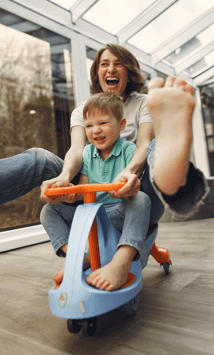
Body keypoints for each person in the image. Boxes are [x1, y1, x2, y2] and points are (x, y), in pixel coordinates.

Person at [0, 44, 209, 290]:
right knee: (39, 159)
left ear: (129, 71)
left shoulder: (147, 102)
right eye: (104, 63)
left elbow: (143, 145)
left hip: (137, 187)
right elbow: (77, 151)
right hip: (94, 193)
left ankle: (175, 180)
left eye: (118, 63)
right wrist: (65, 178)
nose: (110, 68)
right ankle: (78, 255)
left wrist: (129, 172)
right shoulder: (83, 111)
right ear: (97, 73)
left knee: (156, 145)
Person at [41, 93, 151, 291]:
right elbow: (84, 188)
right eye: (89, 126)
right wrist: (72, 193)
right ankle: (76, 256)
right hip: (90, 214)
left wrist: (125, 192)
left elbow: (132, 186)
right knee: (48, 212)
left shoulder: (128, 151)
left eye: (103, 123)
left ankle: (123, 260)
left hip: (118, 211)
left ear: (122, 124)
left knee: (141, 199)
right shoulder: (86, 153)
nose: (96, 130)